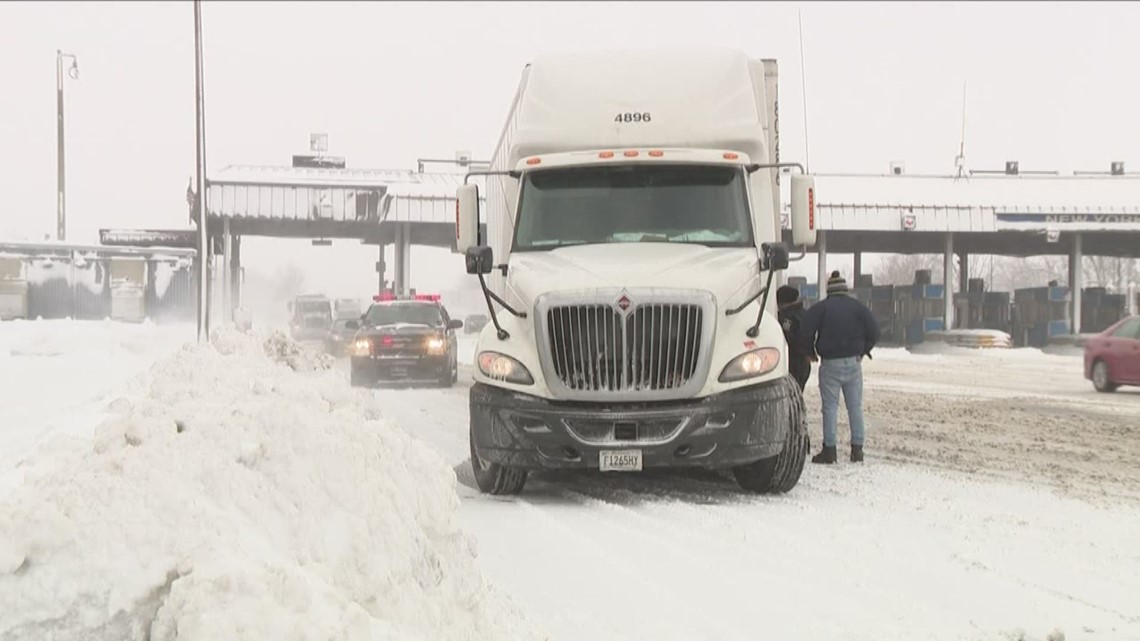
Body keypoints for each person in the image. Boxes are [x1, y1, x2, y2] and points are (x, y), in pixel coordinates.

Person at [797, 271, 880, 464]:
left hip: (830, 364)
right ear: (845, 289)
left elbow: (804, 330)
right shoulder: (858, 307)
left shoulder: (822, 308)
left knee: (830, 408)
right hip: (853, 363)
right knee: (855, 407)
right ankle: (857, 450)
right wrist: (863, 350)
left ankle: (830, 451)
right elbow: (875, 330)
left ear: (830, 290)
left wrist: (810, 352)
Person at [776, 285, 812, 391]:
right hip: (804, 362)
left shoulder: (787, 318)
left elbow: (785, 334)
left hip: (793, 361)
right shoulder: (805, 313)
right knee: (798, 393)